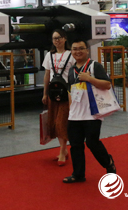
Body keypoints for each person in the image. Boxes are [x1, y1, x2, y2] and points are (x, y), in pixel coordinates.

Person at [63, 39, 116, 184]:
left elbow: (107, 85)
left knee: (92, 143)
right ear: (71, 51)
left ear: (87, 50)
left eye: (81, 48)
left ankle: (108, 162)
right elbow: (70, 91)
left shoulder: (94, 66)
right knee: (75, 145)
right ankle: (78, 174)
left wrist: (89, 78)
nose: (78, 51)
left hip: (92, 113)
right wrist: (70, 110)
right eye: (74, 49)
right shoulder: (71, 70)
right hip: (75, 114)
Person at [41, 29, 75, 166]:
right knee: (54, 122)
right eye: (54, 38)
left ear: (65, 38)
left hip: (67, 93)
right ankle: (64, 150)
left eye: (59, 37)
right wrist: (45, 93)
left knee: (62, 122)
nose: (57, 40)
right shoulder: (49, 55)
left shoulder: (71, 55)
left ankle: (62, 150)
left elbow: (75, 74)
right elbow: (47, 75)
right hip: (53, 93)